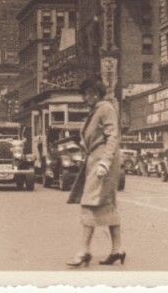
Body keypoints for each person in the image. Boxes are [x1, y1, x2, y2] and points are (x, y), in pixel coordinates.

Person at [66, 78, 124, 267]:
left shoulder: (105, 108)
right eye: (84, 94)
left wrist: (105, 162)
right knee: (107, 204)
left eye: (90, 93)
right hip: (95, 160)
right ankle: (117, 250)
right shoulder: (96, 111)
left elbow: (113, 136)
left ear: (98, 93)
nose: (86, 97)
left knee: (89, 203)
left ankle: (84, 251)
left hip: (102, 161)